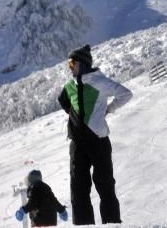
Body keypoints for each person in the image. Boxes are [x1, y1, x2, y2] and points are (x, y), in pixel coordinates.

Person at [58, 44, 132, 225]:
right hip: (77, 144)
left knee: (105, 185)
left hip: (98, 141)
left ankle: (112, 223)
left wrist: (108, 109)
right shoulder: (69, 86)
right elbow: (64, 102)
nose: (70, 67)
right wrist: (76, 118)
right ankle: (83, 225)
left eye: (72, 63)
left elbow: (125, 94)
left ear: (82, 63)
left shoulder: (100, 82)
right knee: (78, 188)